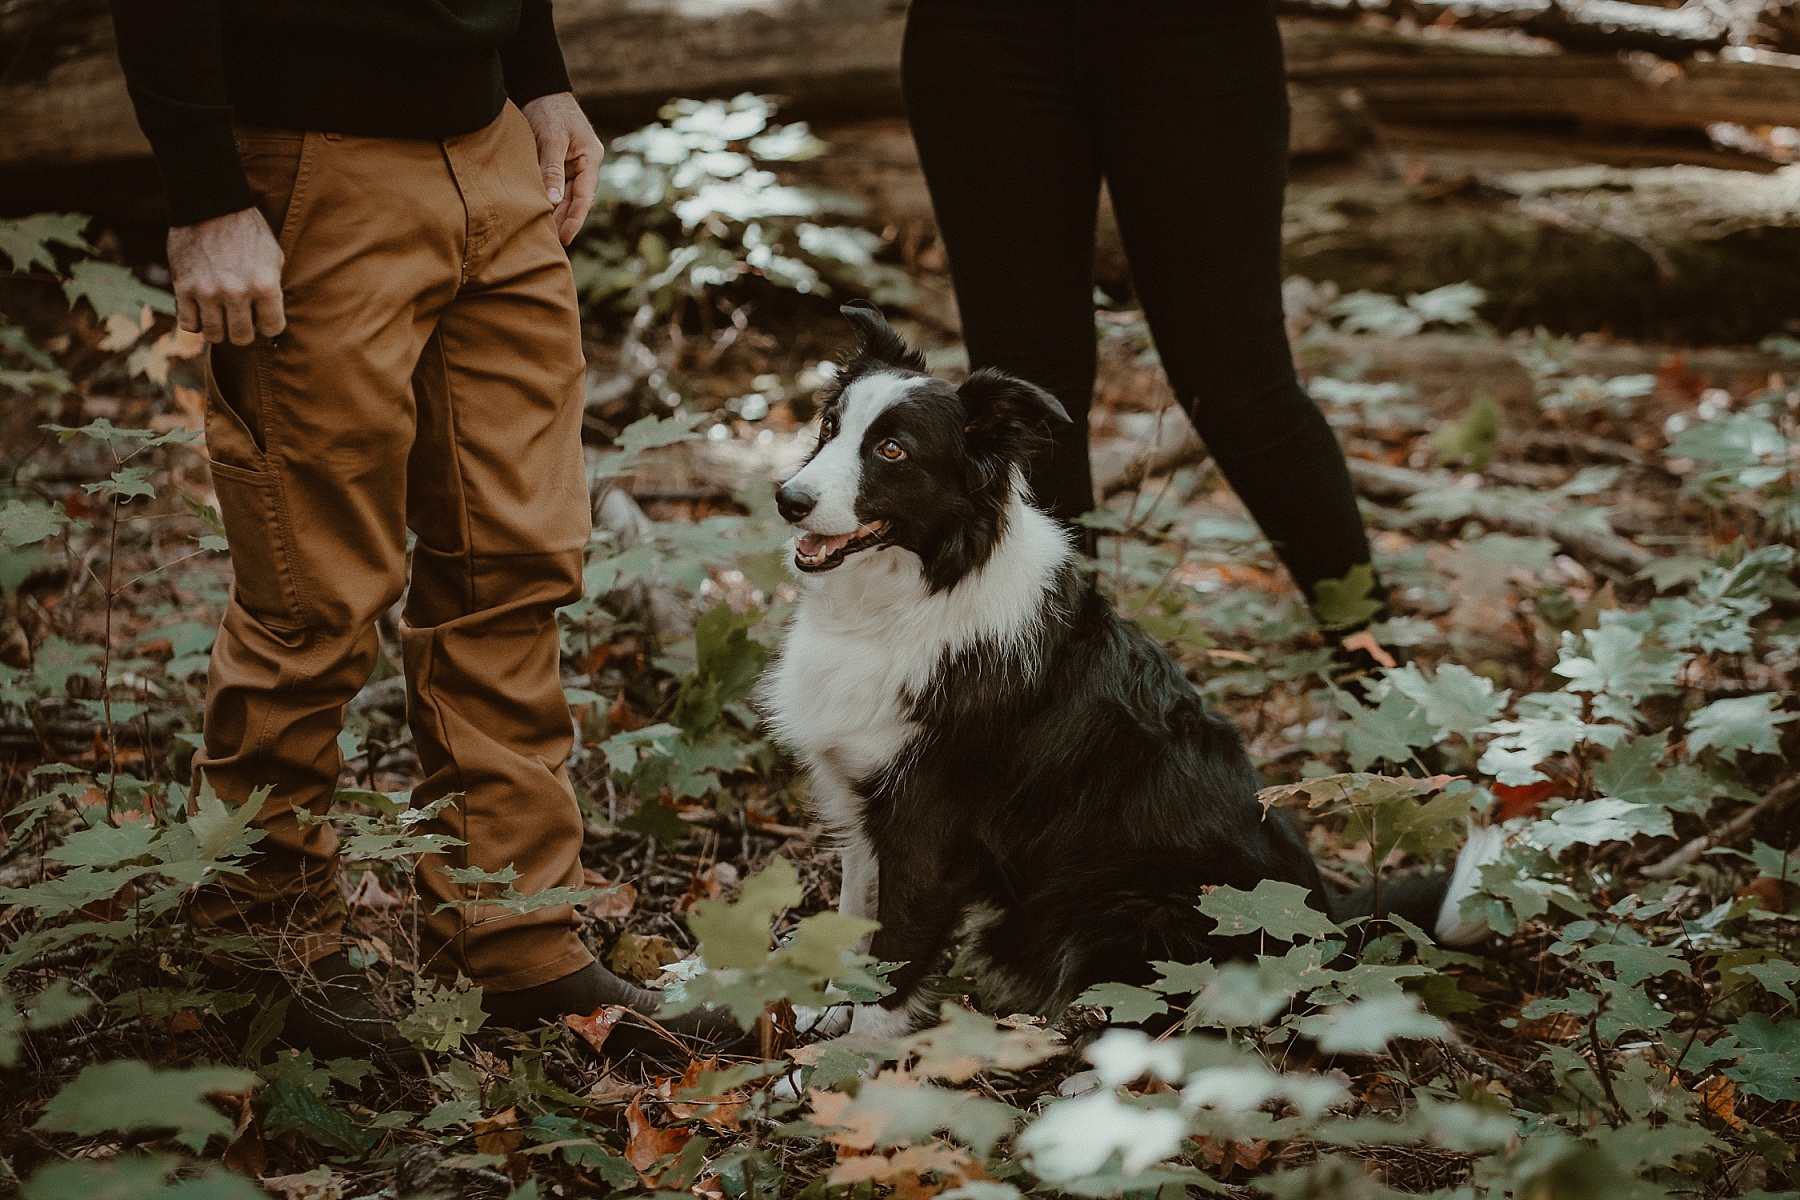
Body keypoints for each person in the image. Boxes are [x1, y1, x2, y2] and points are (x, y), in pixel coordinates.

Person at [109, 0, 698, 1059]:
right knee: (314, 586)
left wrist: (541, 73)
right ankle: (263, 941)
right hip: (310, 163)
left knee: (516, 561)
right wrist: (205, 194)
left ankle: (518, 941)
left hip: (492, 151)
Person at [901, 0, 1379, 630]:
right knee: (1027, 395)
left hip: (1191, 30)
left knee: (1239, 386)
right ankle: (1068, 701)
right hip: (985, 35)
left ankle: (1377, 682)